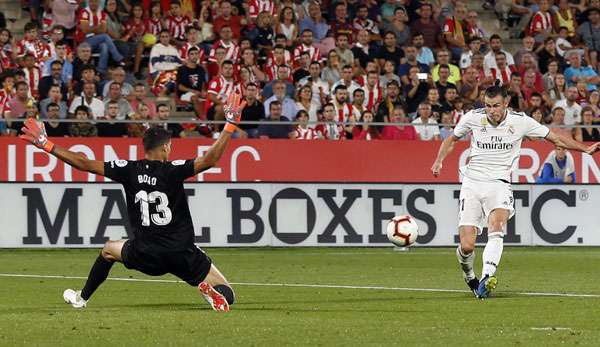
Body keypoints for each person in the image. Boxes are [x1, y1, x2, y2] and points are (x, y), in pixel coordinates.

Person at [19, 92, 247, 311]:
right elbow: (210, 159)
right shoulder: (174, 170)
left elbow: (83, 163)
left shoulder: (127, 169)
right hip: (181, 253)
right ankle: (212, 293)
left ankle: (82, 298)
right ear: (166, 146)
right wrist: (229, 125)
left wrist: (46, 144)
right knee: (228, 292)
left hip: (145, 253)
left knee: (108, 250)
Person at [430, 85, 600, 299]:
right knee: (467, 245)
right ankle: (469, 274)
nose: (491, 110)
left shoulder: (521, 121)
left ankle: (486, 277)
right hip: (472, 183)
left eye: (496, 106)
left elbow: (555, 138)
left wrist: (584, 149)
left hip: (500, 184)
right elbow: (451, 139)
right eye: (488, 105)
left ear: (506, 103)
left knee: (496, 227)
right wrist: (438, 161)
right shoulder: (473, 117)